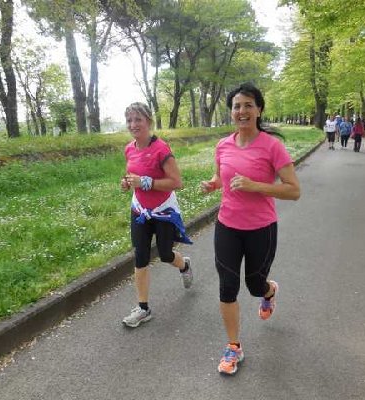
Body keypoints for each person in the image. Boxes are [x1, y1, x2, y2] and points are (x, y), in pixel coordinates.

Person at [200, 83, 300, 375]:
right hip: (227, 225)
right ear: (231, 111)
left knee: (255, 285)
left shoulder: (272, 146)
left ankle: (269, 291)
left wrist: (256, 186)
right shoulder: (223, 145)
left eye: (248, 105)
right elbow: (220, 177)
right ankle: (234, 346)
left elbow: (294, 190)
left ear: (259, 110)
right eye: (236, 106)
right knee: (227, 286)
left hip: (261, 228)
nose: (241, 111)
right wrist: (213, 184)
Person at [121, 102, 193, 328]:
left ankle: (184, 266)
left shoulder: (161, 148)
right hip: (140, 211)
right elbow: (131, 173)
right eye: (129, 120)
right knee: (140, 256)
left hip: (163, 211)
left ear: (148, 121)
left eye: (138, 119)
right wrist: (127, 182)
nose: (133, 124)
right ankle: (143, 308)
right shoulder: (129, 148)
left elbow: (176, 182)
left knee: (165, 254)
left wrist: (146, 182)